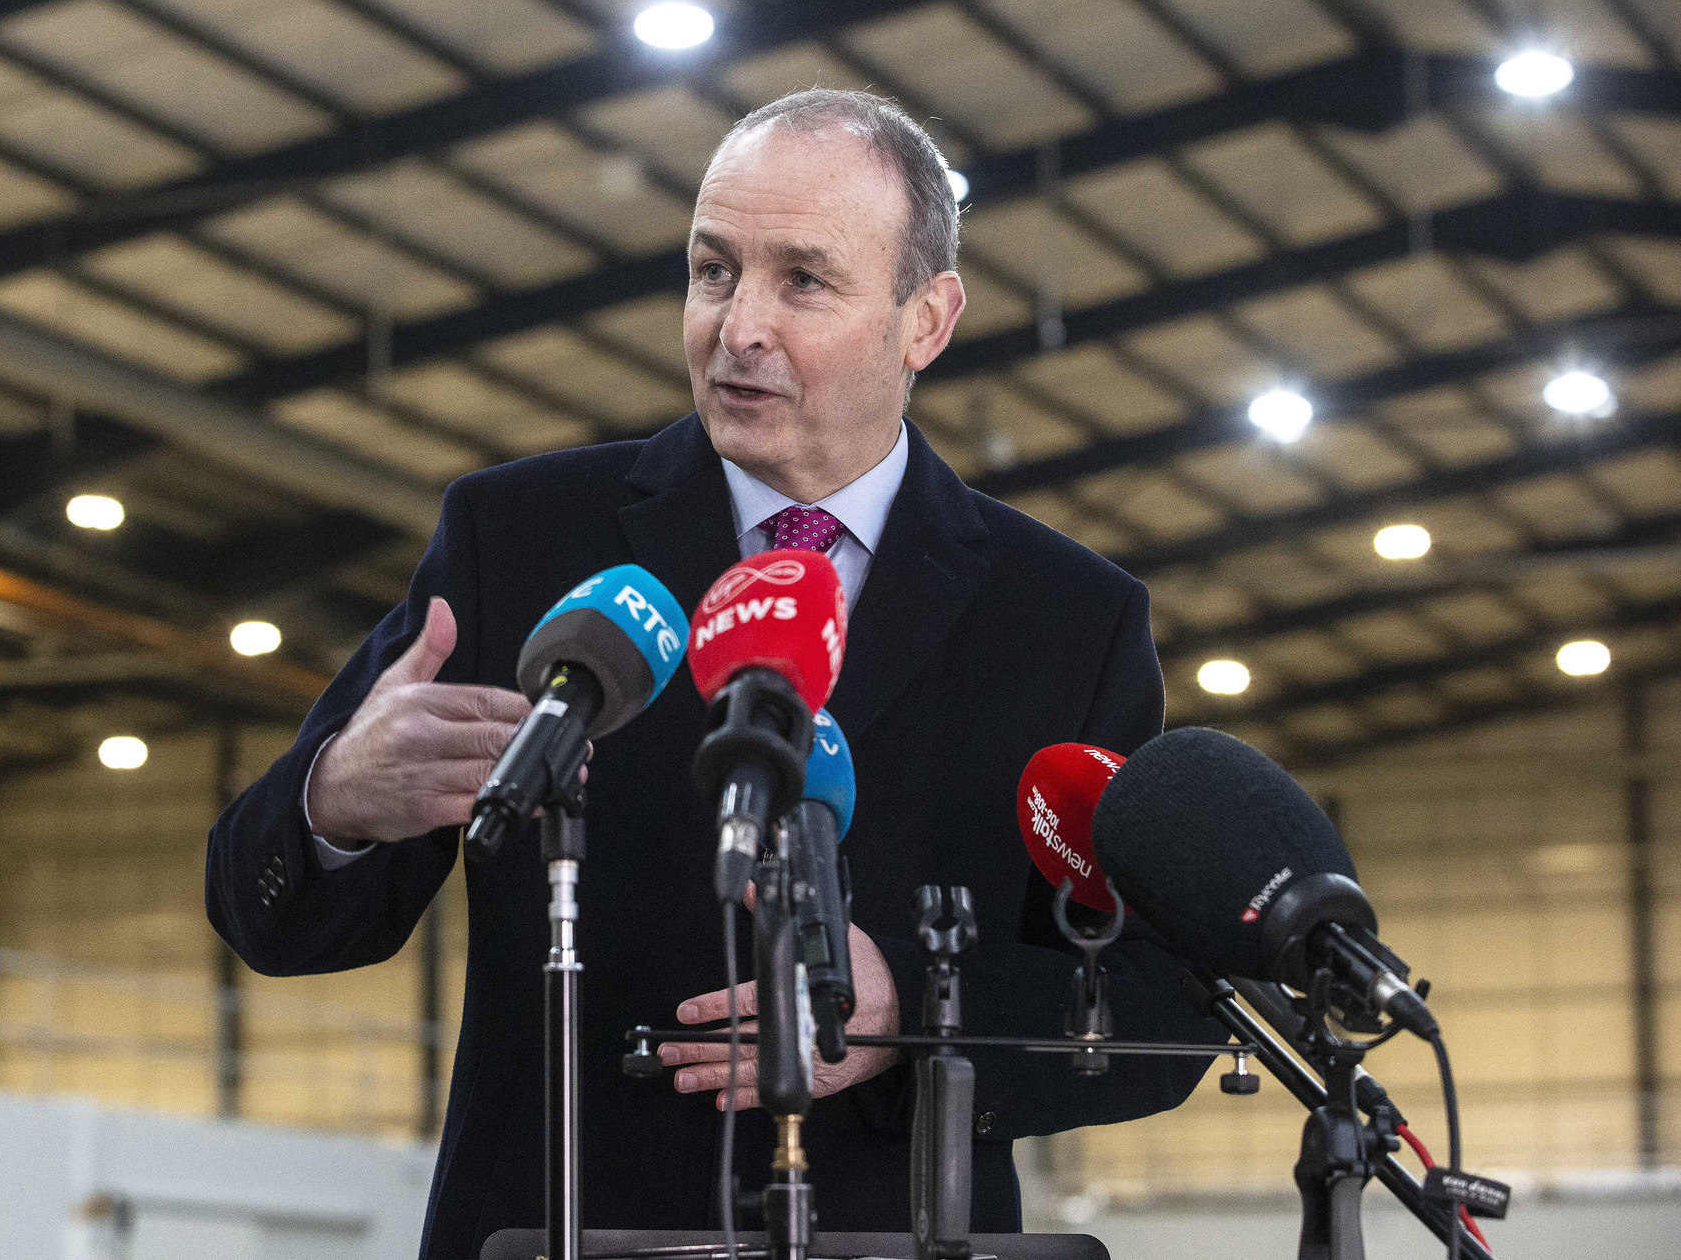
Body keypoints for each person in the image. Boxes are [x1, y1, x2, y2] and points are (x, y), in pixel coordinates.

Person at [207, 90, 1223, 1260]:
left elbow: (1159, 1010)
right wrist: (333, 802)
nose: (737, 326)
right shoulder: (518, 538)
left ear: (925, 320)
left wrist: (914, 1013)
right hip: (553, 1226)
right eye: (711, 271)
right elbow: (265, 917)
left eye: (802, 281)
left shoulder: (1066, 619)